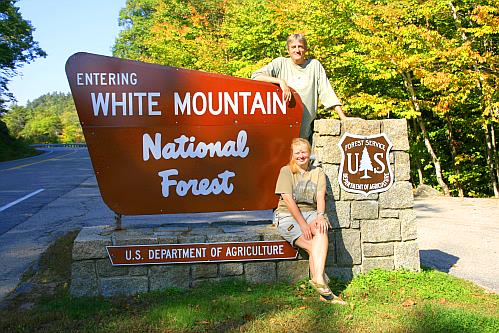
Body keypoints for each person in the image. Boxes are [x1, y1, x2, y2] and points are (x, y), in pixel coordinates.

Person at [273, 138, 344, 302]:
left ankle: (318, 279)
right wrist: (303, 225)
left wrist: (320, 215)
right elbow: (288, 200)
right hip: (287, 215)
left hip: (311, 213)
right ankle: (325, 292)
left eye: (304, 152)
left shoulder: (317, 173)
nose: (301, 155)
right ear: (292, 154)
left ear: (309, 152)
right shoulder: (286, 171)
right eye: (297, 152)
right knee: (314, 248)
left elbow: (320, 196)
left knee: (321, 228)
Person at [252, 33, 348, 141]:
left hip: (305, 132)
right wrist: (280, 81)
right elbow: (256, 76)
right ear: (288, 50)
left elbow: (327, 92)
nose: (297, 50)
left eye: (300, 46)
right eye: (293, 47)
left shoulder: (314, 65)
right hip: (282, 131)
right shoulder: (280, 63)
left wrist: (343, 118)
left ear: (305, 49)